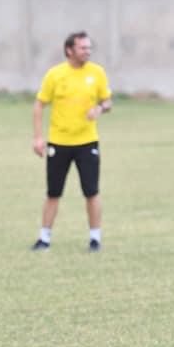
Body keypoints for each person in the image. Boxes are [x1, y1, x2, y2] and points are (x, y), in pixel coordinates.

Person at [31, 31, 112, 252]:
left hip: (87, 143)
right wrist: (38, 137)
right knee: (53, 193)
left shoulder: (97, 73)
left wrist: (100, 108)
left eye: (89, 48)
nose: (88, 51)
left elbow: (108, 101)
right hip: (59, 143)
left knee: (91, 191)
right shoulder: (55, 75)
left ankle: (95, 238)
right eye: (83, 48)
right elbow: (39, 105)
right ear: (70, 50)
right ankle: (44, 238)